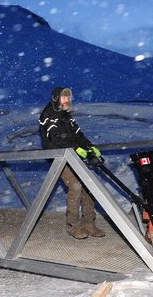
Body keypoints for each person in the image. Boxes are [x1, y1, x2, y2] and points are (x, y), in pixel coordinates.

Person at [39, 87, 105, 240]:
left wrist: (89, 146)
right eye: (64, 98)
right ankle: (73, 226)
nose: (67, 100)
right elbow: (57, 138)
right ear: (56, 98)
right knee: (75, 186)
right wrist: (76, 148)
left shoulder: (66, 116)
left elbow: (78, 134)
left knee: (88, 186)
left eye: (68, 97)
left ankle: (89, 223)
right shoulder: (48, 115)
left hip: (72, 155)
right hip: (59, 157)